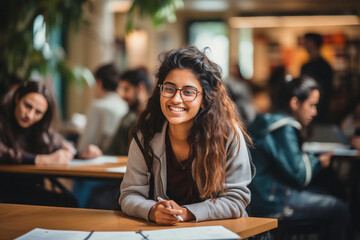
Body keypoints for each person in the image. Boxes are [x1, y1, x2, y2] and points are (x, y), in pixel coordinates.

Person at [119, 46, 254, 225]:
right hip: (164, 234)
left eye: (188, 92)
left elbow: (236, 200)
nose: (176, 99)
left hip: (218, 233)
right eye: (169, 89)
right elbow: (129, 194)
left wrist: (187, 213)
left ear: (204, 99)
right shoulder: (147, 134)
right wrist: (151, 210)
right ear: (160, 90)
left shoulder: (227, 135)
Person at [248, 76, 349, 240]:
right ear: (295, 103)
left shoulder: (268, 121)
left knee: (325, 193)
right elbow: (299, 175)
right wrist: (319, 162)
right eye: (311, 105)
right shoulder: (284, 127)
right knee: (340, 209)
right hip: (273, 203)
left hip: (260, 199)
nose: (314, 112)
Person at [0, 80, 100, 206]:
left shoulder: (40, 128)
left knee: (70, 202)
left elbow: (56, 145)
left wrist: (81, 154)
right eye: (28, 106)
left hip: (27, 190)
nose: (30, 116)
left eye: (38, 112)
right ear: (17, 97)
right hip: (4, 192)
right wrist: (41, 160)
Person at [77, 63, 128, 153]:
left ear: (99, 83)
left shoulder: (97, 106)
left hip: (98, 158)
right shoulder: (124, 105)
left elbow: (85, 144)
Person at [106, 67, 153, 155]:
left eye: (126, 89)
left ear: (140, 87)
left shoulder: (155, 117)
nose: (122, 95)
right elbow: (113, 150)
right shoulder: (128, 117)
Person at [301, 33, 333, 123]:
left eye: (308, 42)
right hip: (307, 106)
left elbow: (327, 90)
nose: (305, 45)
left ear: (315, 44)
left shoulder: (325, 67)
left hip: (321, 109)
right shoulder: (305, 66)